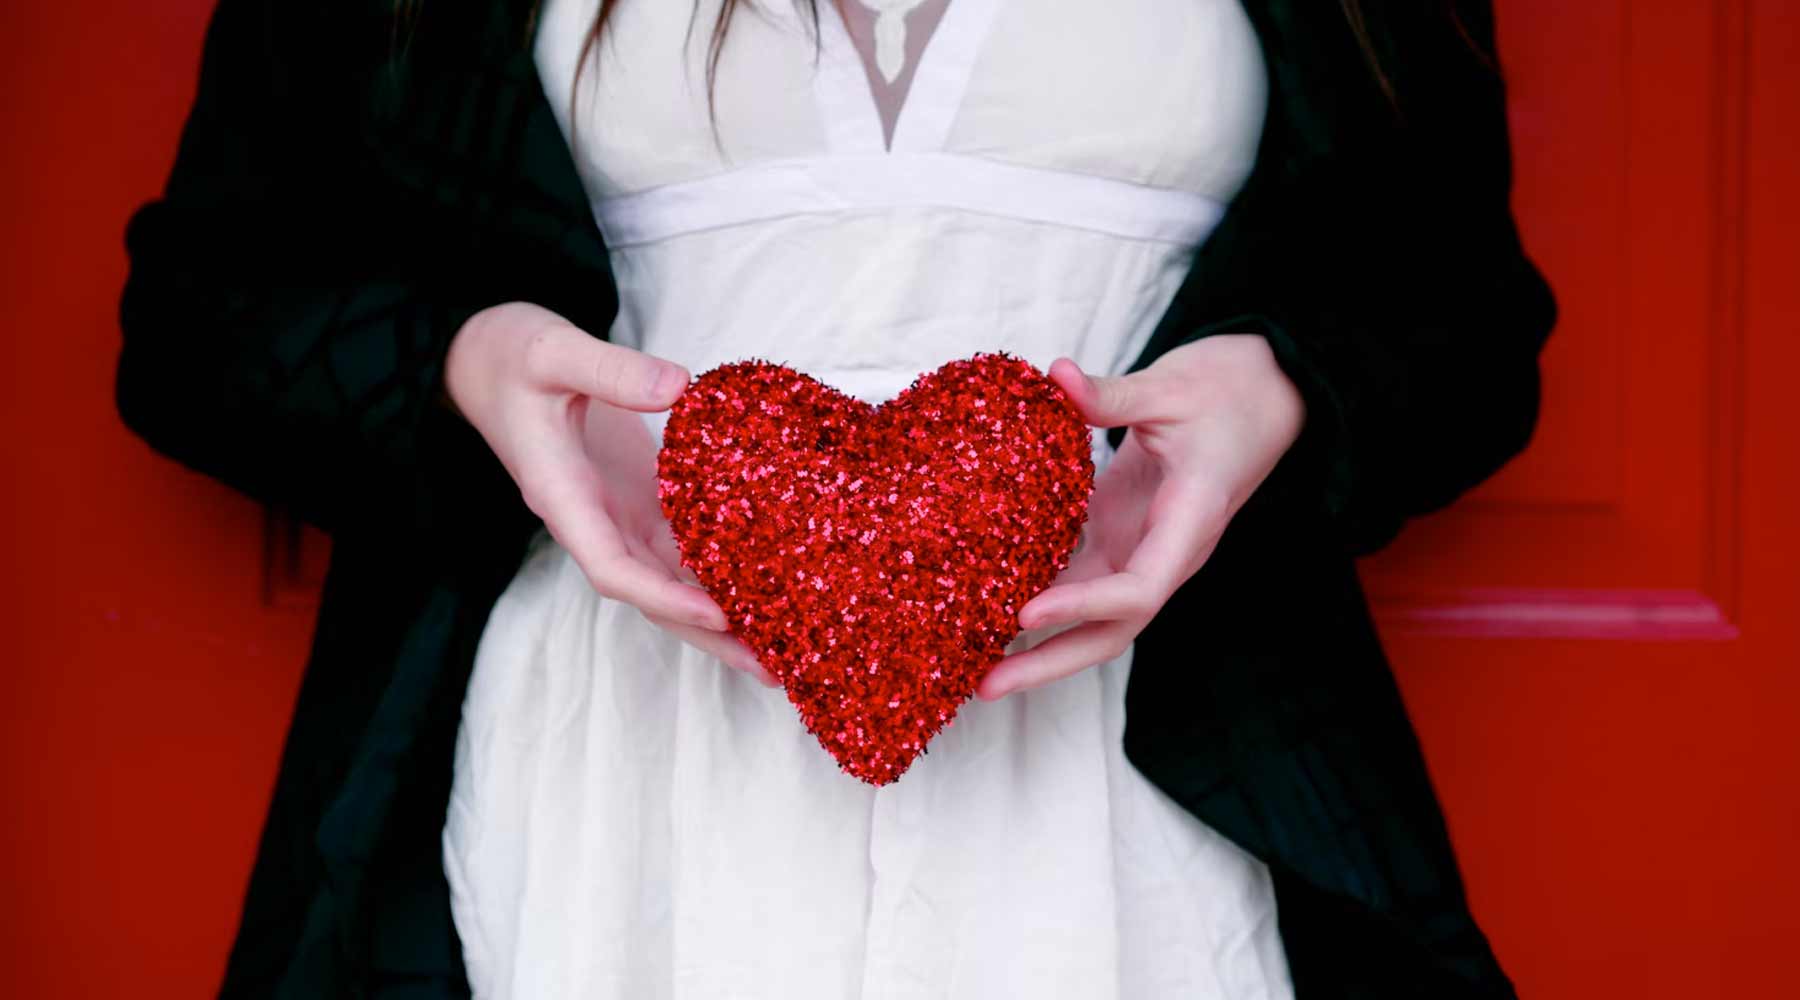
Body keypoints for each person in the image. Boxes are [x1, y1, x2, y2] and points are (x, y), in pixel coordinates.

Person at [114, 0, 1557, 997]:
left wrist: (1285, 389)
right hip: (605, 765)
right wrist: (461, 368)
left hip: (1164, 757)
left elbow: (1465, 316)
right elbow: (200, 319)